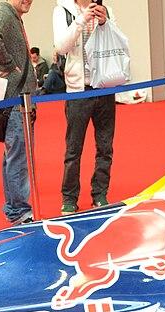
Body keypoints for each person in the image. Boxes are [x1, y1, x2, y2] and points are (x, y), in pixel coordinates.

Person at [55, 0, 123, 212]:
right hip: (78, 90)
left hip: (104, 87)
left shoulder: (107, 10)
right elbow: (61, 47)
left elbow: (117, 43)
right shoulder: (62, 11)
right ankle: (69, 198)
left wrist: (105, 23)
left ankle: (100, 193)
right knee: (73, 149)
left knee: (105, 147)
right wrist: (82, 20)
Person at [0, 0, 36, 224]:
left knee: (13, 156)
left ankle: (15, 208)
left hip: (17, 98)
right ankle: (19, 210)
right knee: (18, 157)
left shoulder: (11, 16)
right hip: (16, 99)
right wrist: (7, 64)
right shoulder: (5, 14)